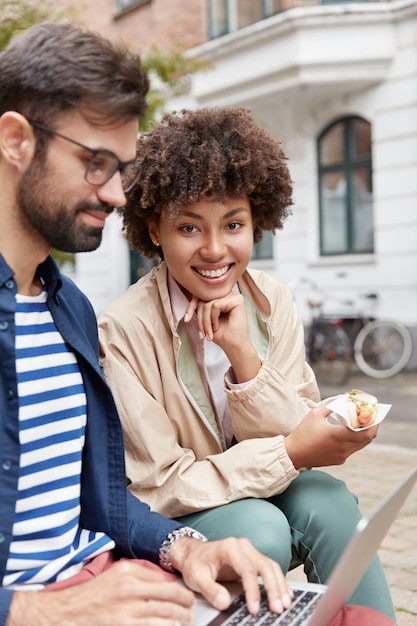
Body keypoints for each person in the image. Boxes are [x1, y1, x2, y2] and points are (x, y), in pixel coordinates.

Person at [0, 23, 298, 626]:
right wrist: (40, 610)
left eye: (123, 169)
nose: (115, 195)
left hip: (108, 581)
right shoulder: (115, 322)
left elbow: (102, 503)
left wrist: (187, 549)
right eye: (96, 163)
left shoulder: (69, 312)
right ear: (15, 141)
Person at [98, 107, 397, 623]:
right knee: (260, 528)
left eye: (233, 224)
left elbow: (302, 431)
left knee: (328, 501)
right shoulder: (121, 330)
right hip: (179, 521)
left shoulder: (271, 300)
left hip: (259, 487)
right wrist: (288, 451)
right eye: (189, 226)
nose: (215, 250)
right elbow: (157, 487)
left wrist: (245, 358)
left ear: (257, 220)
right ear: (154, 228)